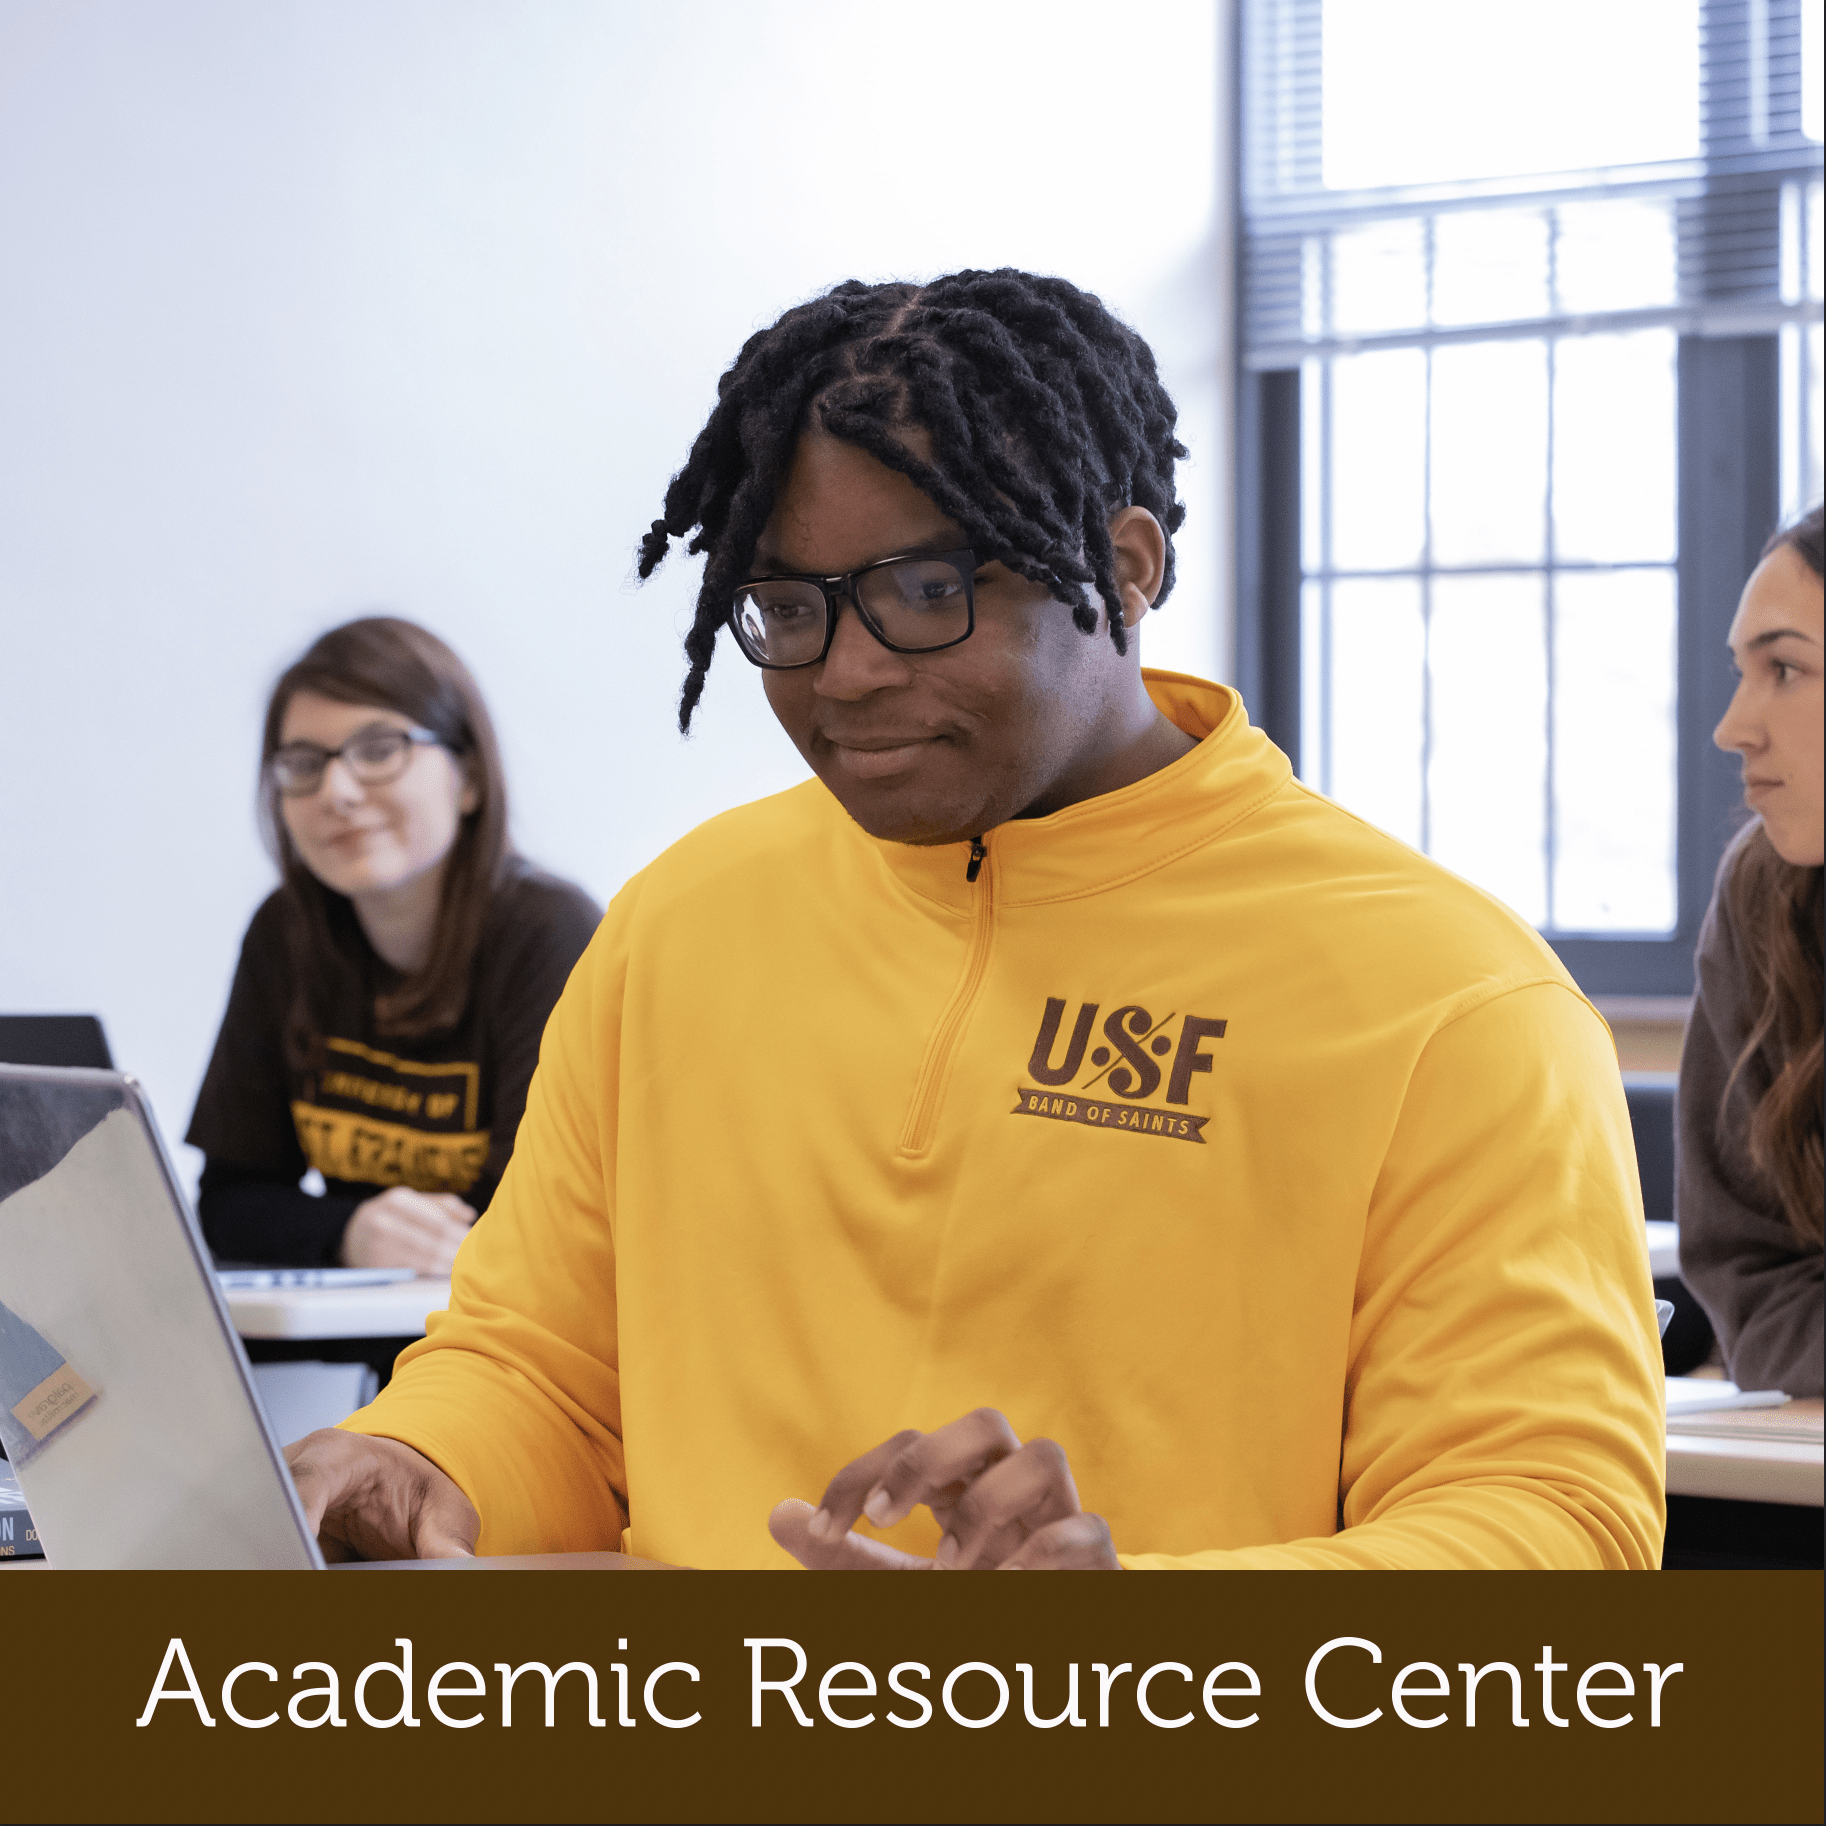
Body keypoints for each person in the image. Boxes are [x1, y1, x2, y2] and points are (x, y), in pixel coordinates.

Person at [291, 271, 1664, 1569]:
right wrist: (422, 1458)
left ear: (1125, 569)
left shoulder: (1452, 1001)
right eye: (787, 605)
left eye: (927, 591)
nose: (849, 672)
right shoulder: (679, 924)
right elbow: (541, 1365)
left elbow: (1550, 1522)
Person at [188, 617, 599, 1273]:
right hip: (384, 1342)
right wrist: (351, 1231)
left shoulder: (550, 934)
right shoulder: (285, 931)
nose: (338, 792)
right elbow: (230, 1201)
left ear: (468, 778)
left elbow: (547, 1213)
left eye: (379, 750)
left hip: (522, 1344)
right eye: (302, 764)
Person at [1677, 507, 1824, 1397]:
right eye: (1744, 673)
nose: (1735, 727)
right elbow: (1752, 1276)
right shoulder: (1766, 894)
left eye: (1786, 668)